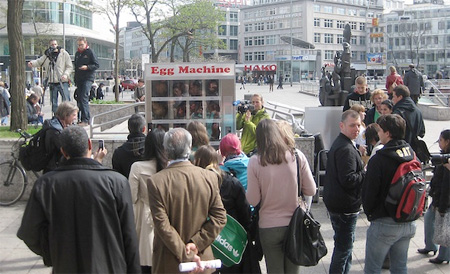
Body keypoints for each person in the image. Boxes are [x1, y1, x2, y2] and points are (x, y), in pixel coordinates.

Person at [17, 126, 140, 273]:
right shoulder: (117, 182)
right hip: (110, 267)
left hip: (66, 266)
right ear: (89, 144)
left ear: (63, 151)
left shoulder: (46, 185)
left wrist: (53, 252)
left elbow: (29, 232)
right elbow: (129, 235)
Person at [147, 128, 227, 273]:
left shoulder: (156, 181)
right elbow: (220, 218)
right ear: (190, 148)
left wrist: (185, 254)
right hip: (202, 261)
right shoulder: (209, 177)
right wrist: (196, 243)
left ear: (165, 150)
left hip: (169, 262)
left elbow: (162, 225)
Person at [246, 119, 316, 274]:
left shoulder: (255, 161)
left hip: (269, 226)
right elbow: (311, 190)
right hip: (295, 225)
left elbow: (253, 200)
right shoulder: (297, 156)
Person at [362, 114, 418, 273]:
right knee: (400, 267)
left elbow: (369, 192)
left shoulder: (379, 158)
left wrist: (371, 213)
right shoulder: (412, 155)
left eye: (380, 130)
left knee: (373, 268)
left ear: (387, 133)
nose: (378, 134)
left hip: (384, 221)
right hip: (408, 219)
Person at [194, 145, 260, 274]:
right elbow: (245, 213)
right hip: (231, 241)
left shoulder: (195, 184)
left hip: (205, 241)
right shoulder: (231, 182)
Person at [323, 110, 365, 274]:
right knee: (343, 248)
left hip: (340, 203)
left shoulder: (345, 143)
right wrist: (365, 173)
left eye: (359, 125)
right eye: (352, 125)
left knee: (345, 246)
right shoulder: (345, 148)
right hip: (345, 206)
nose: (356, 129)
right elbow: (348, 180)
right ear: (342, 126)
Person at [128, 128, 168, 273]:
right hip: (167, 217)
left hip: (144, 218)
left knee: (145, 261)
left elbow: (131, 196)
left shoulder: (137, 167)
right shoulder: (170, 167)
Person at [417, 129, 450, 264]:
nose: (439, 143)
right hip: (437, 196)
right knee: (429, 219)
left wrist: (441, 206)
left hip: (445, 200)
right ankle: (430, 246)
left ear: (447, 142)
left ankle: (444, 256)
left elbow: (447, 186)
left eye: (441, 140)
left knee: (444, 227)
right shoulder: (443, 157)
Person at [28, 39, 73, 114]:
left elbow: (69, 66)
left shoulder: (64, 54)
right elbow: (39, 61)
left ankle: (67, 116)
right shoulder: (47, 55)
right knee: (54, 102)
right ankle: (56, 117)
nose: (54, 46)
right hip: (52, 81)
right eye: (52, 45)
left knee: (66, 100)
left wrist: (65, 74)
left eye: (55, 44)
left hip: (63, 81)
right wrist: (32, 63)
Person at [43, 101, 79, 173]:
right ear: (66, 115)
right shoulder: (55, 131)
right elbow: (65, 150)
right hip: (54, 170)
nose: (75, 118)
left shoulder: (58, 125)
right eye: (74, 115)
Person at [392, 85, 425, 154]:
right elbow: (422, 132)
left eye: (394, 96)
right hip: (414, 150)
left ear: (400, 97)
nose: (392, 99)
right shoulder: (418, 111)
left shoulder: (397, 113)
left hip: (400, 150)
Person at [74, 36, 100, 127]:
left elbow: (96, 65)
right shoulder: (77, 54)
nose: (80, 46)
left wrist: (87, 67)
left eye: (81, 45)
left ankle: (86, 119)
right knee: (80, 98)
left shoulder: (90, 53)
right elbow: (76, 67)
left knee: (84, 97)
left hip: (87, 78)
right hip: (79, 79)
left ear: (85, 43)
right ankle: (81, 118)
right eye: (78, 45)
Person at [112, 113, 146, 178]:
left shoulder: (119, 152)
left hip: (126, 186)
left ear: (128, 128)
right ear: (144, 129)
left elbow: (117, 177)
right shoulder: (151, 149)